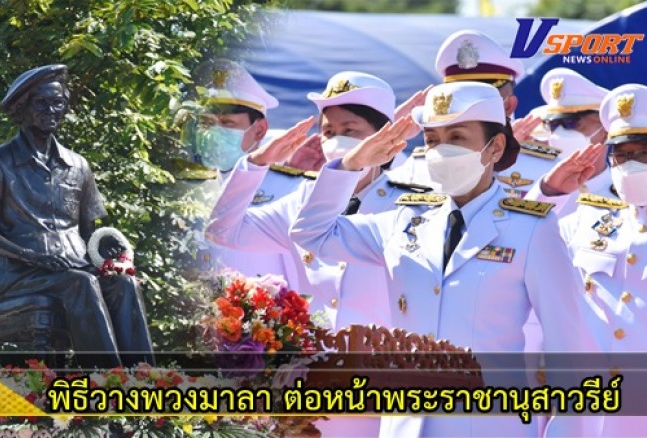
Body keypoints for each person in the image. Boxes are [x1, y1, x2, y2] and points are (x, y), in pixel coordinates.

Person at [290, 81, 598, 437]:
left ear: (494, 147)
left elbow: (572, 349)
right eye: (432, 140)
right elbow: (312, 233)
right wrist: (352, 164)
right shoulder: (404, 219)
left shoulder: (529, 228)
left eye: (457, 137)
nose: (441, 151)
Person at [206, 71, 421, 437]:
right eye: (328, 132)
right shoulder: (305, 199)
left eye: (350, 131)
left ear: (387, 140)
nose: (337, 142)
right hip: (307, 393)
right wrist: (256, 164)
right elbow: (224, 230)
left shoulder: (415, 206)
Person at [0, 64, 154, 368]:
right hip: (21, 276)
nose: (52, 110)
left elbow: (87, 234)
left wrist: (109, 257)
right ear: (22, 107)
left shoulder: (77, 165)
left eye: (59, 103)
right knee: (79, 283)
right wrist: (29, 256)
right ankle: (107, 381)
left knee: (124, 284)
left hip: (75, 268)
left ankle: (145, 379)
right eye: (42, 103)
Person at [535, 83, 647, 436]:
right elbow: (518, 239)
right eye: (621, 154)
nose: (629, 165)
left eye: (644, 153)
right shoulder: (591, 222)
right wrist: (550, 192)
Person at [185, 58, 309, 285]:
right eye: (206, 122)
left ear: (260, 130)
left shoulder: (291, 189)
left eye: (227, 122)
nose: (213, 132)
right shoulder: (184, 188)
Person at [387, 30, 540, 197]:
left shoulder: (543, 166)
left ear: (508, 106)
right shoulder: (424, 161)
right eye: (456, 95)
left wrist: (496, 155)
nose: (464, 105)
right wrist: (387, 136)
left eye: (480, 97)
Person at [526, 67, 611, 215]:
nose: (560, 133)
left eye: (571, 123)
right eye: (553, 125)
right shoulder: (538, 188)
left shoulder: (632, 194)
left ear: (605, 128)